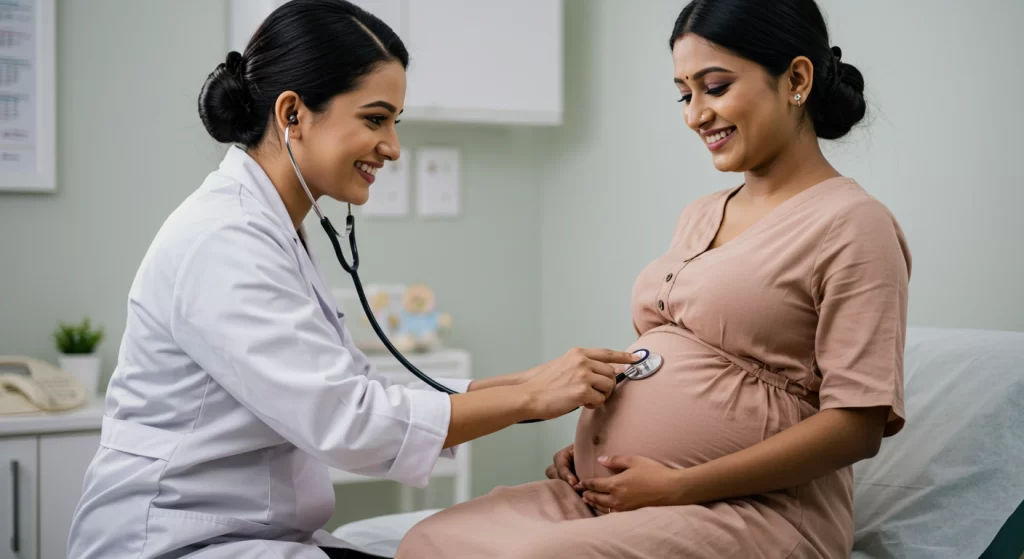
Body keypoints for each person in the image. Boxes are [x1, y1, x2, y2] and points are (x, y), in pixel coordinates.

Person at [65, 1, 636, 558]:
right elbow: (350, 425)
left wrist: (528, 384)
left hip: (247, 533)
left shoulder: (273, 230)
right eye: (375, 118)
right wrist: (530, 399)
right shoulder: (224, 239)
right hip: (177, 541)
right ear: (293, 114)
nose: (391, 146)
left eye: (394, 121)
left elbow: (360, 395)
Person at [396, 0, 912, 557]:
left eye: (714, 87)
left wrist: (678, 484)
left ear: (797, 79)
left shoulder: (854, 225)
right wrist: (594, 448)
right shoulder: (701, 212)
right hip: (622, 497)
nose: (695, 115)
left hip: (758, 511)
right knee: (430, 541)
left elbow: (856, 426)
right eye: (684, 94)